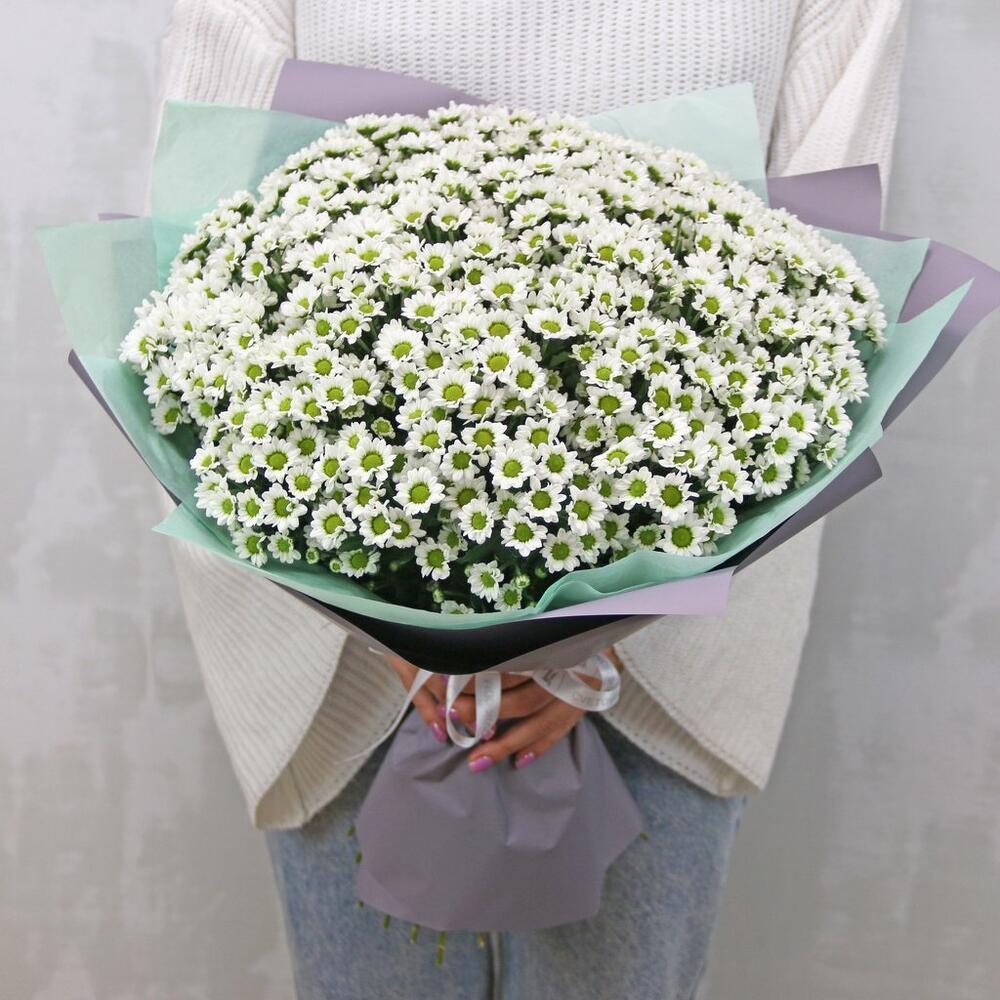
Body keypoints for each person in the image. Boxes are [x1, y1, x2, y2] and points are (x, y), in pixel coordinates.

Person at [158, 1, 908, 996]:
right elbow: (198, 249)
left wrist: (594, 636)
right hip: (347, 637)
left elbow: (834, 286)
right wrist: (401, 619)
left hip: (676, 632)